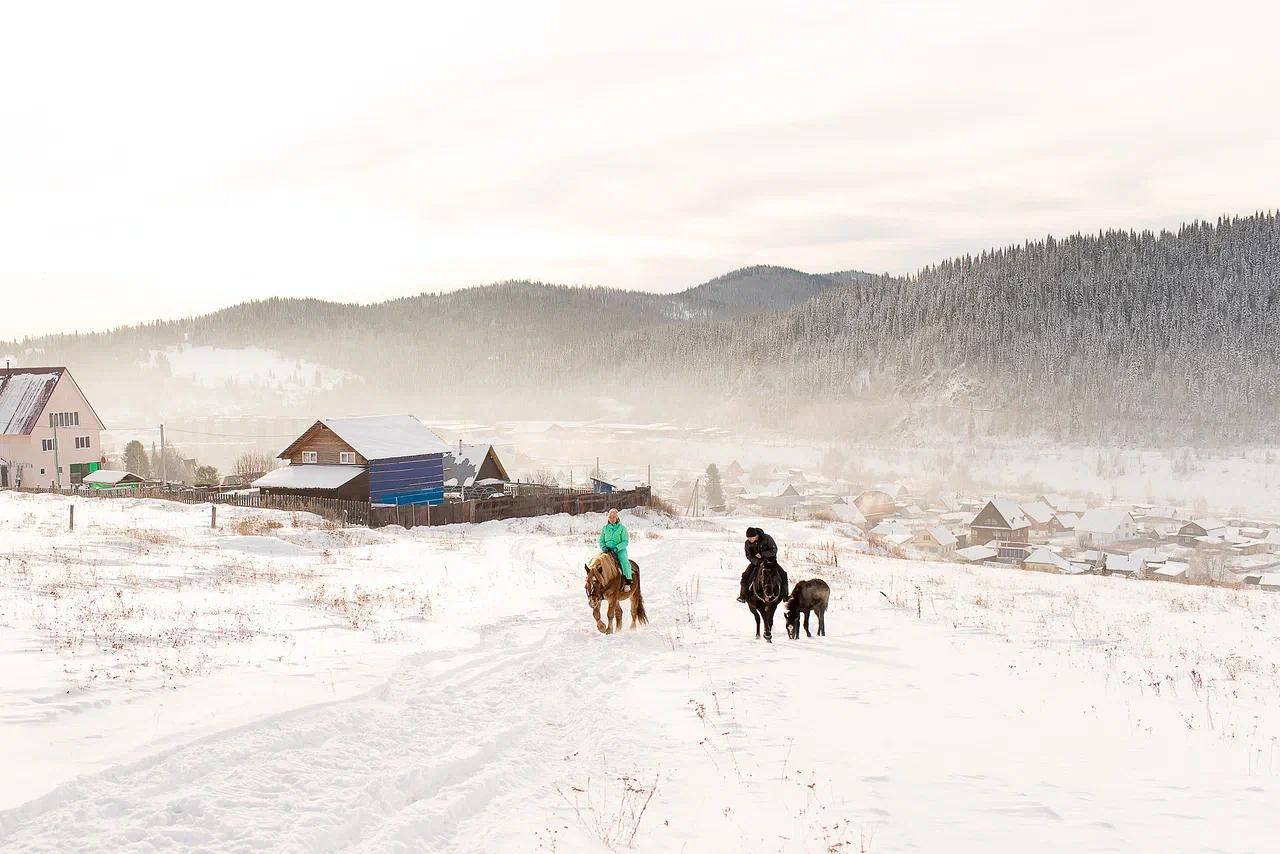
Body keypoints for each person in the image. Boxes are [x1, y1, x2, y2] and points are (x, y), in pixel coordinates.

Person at [738, 526, 787, 603]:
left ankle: (785, 595)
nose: (750, 539)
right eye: (748, 538)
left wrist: (762, 554)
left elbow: (774, 550)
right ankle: (743, 595)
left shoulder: (767, 538)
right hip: (756, 563)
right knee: (745, 575)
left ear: (756, 535)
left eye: (751, 537)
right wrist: (757, 562)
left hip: (770, 562)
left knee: (783, 574)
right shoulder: (747, 543)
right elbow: (749, 556)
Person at [599, 508, 633, 591]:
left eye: (614, 517)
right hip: (607, 550)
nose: (612, 519)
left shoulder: (622, 528)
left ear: (617, 518)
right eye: (610, 517)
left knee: (624, 561)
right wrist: (603, 547)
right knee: (597, 560)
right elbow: (601, 540)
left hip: (619, 550)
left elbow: (625, 541)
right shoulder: (605, 528)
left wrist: (617, 548)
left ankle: (628, 581)